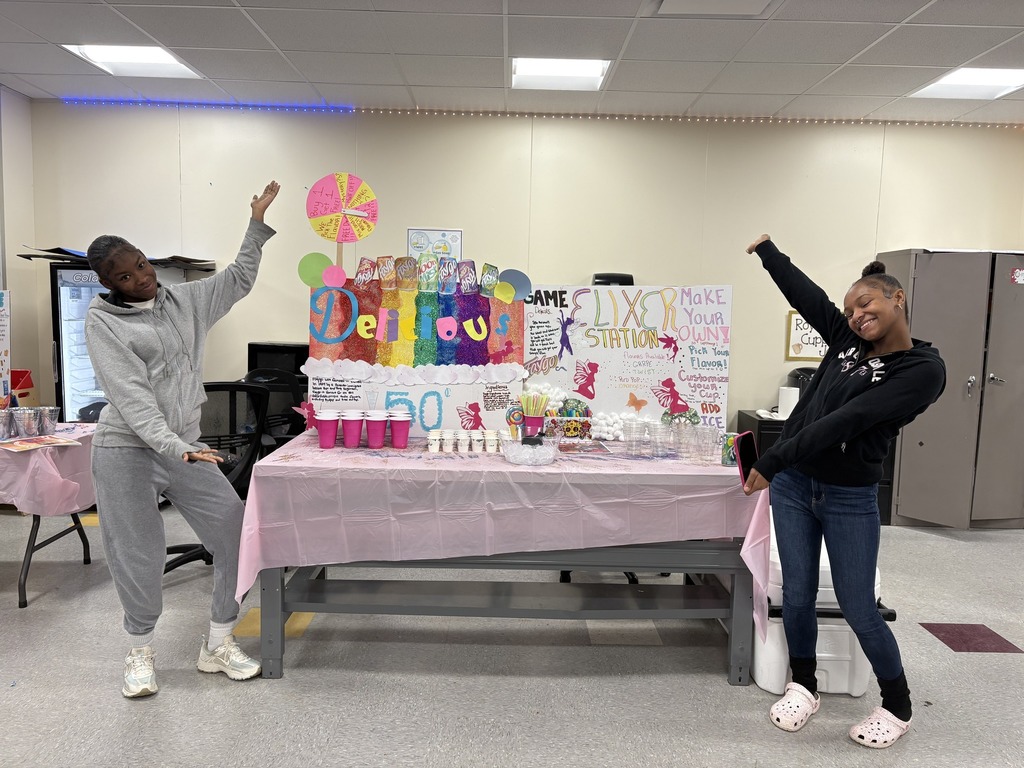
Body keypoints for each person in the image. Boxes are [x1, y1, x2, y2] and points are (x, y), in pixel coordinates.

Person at [742, 233, 945, 749]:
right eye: (851, 308)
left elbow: (850, 418)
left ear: (897, 299)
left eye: (867, 303)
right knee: (800, 595)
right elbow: (806, 297)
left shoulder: (922, 370)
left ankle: (897, 705)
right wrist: (770, 253)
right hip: (794, 488)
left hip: (849, 496)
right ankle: (803, 684)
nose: (856, 315)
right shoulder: (847, 341)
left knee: (859, 606)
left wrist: (775, 455)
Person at [84, 180, 280, 698]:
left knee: (238, 538)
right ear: (107, 284)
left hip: (187, 447)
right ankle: (140, 651)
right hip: (127, 448)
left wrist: (256, 223)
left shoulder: (185, 302)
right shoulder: (103, 324)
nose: (140, 279)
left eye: (142, 266)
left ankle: (216, 644)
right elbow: (132, 399)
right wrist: (177, 446)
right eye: (124, 277)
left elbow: (237, 279)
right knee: (138, 552)